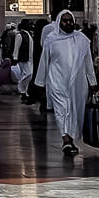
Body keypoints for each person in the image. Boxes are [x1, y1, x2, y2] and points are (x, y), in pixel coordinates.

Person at [36, 10, 95, 156]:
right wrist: (40, 83)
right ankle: (66, 139)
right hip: (57, 81)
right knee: (61, 111)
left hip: (78, 83)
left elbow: (88, 62)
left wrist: (93, 82)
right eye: (64, 21)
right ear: (59, 22)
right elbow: (44, 61)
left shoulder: (82, 39)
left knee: (75, 111)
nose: (68, 23)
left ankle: (71, 138)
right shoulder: (51, 39)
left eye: (70, 20)